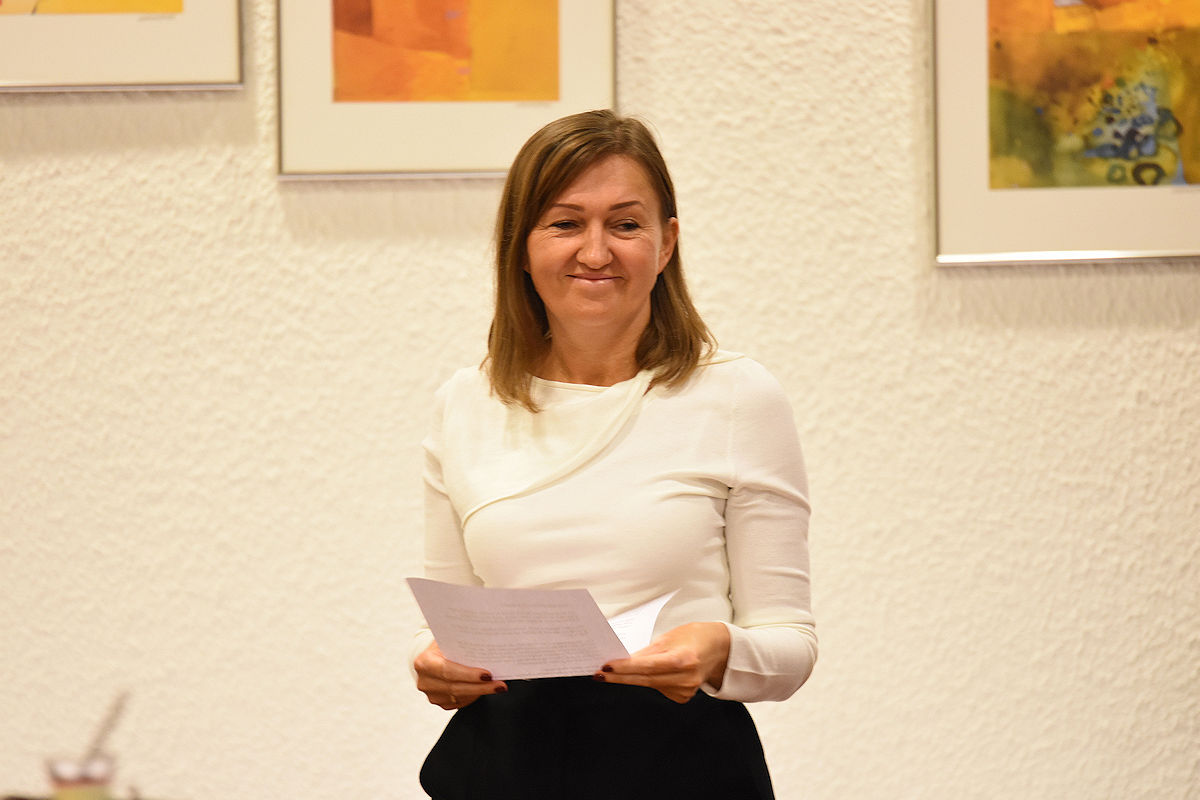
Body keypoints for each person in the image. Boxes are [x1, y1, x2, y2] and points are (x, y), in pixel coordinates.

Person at [411, 109, 816, 800]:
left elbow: (790, 644)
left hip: (684, 771)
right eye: (565, 223)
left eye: (625, 225)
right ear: (520, 247)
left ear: (666, 243)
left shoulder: (737, 397)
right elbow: (447, 629)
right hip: (505, 771)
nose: (595, 252)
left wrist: (717, 648)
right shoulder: (464, 403)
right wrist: (434, 666)